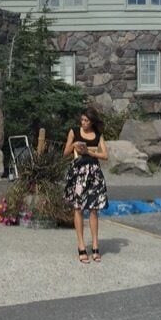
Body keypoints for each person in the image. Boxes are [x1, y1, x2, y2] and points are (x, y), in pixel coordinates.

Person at [65, 108, 110, 264]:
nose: (83, 123)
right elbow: (65, 152)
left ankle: (96, 245)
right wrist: (74, 146)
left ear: (92, 122)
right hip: (78, 173)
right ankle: (81, 245)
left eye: (86, 121)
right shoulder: (74, 132)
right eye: (82, 120)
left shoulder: (97, 135)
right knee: (78, 207)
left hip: (94, 173)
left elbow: (105, 155)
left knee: (94, 209)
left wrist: (91, 153)